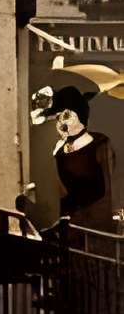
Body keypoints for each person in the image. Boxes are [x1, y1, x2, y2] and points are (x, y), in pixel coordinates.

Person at [40, 85, 117, 232]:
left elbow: (108, 191)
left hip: (97, 224)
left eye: (67, 116)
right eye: (58, 117)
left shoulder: (100, 144)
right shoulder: (60, 152)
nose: (61, 123)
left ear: (80, 115)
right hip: (71, 225)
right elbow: (63, 194)